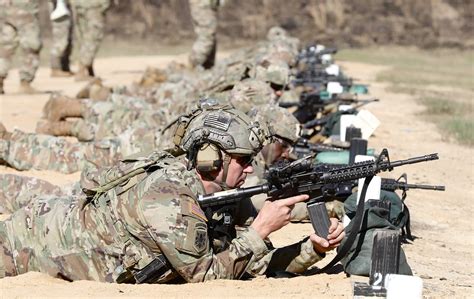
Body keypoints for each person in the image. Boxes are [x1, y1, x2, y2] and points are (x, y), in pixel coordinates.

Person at [0, 102, 344, 282]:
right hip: (21, 247)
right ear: (212, 159)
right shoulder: (167, 199)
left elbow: (245, 264)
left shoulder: (213, 197)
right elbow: (208, 277)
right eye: (242, 160)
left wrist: (310, 249)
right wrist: (259, 230)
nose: (251, 169)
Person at [0, 0, 42, 94]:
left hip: (5, 6)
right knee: (31, 44)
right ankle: (25, 82)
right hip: (24, 6)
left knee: (5, 45)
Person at [69, 0, 110, 81]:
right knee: (93, 36)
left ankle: (88, 70)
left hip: (79, 4)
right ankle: (82, 71)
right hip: (93, 4)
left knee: (83, 35)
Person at [188, 0, 219, 69]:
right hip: (203, 3)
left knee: (210, 34)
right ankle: (194, 64)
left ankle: (207, 66)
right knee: (207, 34)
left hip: (207, 4)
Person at [49, 0, 74, 77]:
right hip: (58, 8)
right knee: (60, 39)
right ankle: (55, 68)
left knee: (67, 39)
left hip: (64, 5)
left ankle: (64, 67)